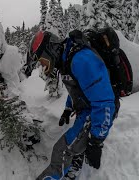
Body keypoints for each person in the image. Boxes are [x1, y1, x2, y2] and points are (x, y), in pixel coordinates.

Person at [27, 31, 118, 180]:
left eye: (42, 61)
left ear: (50, 50)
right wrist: (68, 108)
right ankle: (72, 170)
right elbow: (78, 89)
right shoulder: (66, 59)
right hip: (88, 111)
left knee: (61, 150)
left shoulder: (81, 60)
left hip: (96, 113)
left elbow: (104, 102)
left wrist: (96, 141)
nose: (43, 67)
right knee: (74, 144)